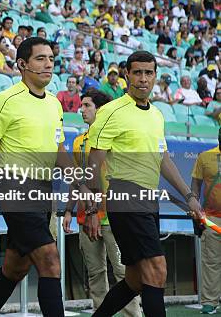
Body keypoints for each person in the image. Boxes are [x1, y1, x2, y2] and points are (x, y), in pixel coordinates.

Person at [83, 51, 203, 317]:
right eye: (137, 72)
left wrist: (188, 196)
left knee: (136, 280)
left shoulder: (157, 115)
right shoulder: (111, 112)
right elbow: (94, 163)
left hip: (148, 200)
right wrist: (91, 210)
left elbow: (163, 159)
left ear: (155, 77)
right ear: (127, 75)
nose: (143, 79)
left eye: (148, 73)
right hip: (124, 196)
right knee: (158, 268)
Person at [0, 37, 67, 316]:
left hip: (43, 191)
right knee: (50, 260)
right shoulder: (4, 100)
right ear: (22, 64)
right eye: (40, 59)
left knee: (16, 266)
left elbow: (58, 149)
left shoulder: (54, 104)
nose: (48, 64)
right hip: (13, 186)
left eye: (51, 58)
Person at [62, 88, 141, 317]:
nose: (81, 110)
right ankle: (100, 313)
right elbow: (76, 178)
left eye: (87, 105)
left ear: (101, 109)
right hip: (85, 216)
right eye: (82, 105)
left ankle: (132, 315)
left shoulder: (117, 137)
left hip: (113, 215)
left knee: (124, 272)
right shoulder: (78, 142)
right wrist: (68, 210)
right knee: (95, 272)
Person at [191, 131, 221, 315]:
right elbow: (195, 185)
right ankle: (210, 301)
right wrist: (195, 208)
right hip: (211, 218)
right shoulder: (205, 157)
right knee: (211, 261)